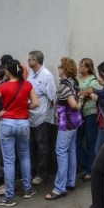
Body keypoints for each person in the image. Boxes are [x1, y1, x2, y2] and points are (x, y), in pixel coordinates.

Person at [0, 60, 40, 207]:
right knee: (24, 156)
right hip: (23, 124)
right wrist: (24, 106)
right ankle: (28, 189)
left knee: (9, 161)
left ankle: (9, 196)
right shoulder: (27, 85)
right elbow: (36, 103)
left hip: (7, 123)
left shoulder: (4, 86)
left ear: (8, 72)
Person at [46, 57, 83, 200]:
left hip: (65, 122)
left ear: (65, 69)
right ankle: (70, 181)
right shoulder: (74, 82)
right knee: (71, 150)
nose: (58, 69)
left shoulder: (64, 85)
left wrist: (78, 105)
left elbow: (73, 104)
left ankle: (59, 188)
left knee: (61, 151)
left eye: (60, 66)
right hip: (75, 122)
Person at [26, 50, 57, 186]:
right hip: (30, 116)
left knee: (42, 147)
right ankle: (31, 172)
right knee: (31, 146)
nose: (28, 61)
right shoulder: (31, 74)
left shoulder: (47, 76)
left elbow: (53, 98)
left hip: (42, 117)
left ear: (36, 61)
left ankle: (41, 174)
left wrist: (47, 114)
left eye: (30, 59)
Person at [76, 58, 100, 182]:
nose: (79, 67)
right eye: (79, 65)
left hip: (90, 113)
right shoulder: (77, 79)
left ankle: (91, 169)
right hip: (78, 113)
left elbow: (90, 91)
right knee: (77, 142)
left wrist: (80, 92)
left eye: (82, 65)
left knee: (91, 142)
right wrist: (83, 93)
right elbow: (80, 92)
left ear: (87, 68)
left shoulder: (93, 79)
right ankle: (85, 166)